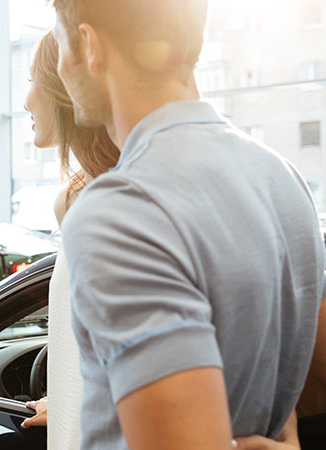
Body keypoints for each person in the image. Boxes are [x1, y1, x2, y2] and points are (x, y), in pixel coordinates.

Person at [51, 0, 326, 448]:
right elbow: (315, 386)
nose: (61, 68)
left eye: (61, 45)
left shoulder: (120, 210)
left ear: (89, 44)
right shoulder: (283, 177)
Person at [19, 31, 119, 450]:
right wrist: (68, 401)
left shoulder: (108, 200)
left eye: (33, 81)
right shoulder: (81, 197)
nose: (26, 101)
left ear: (67, 85)